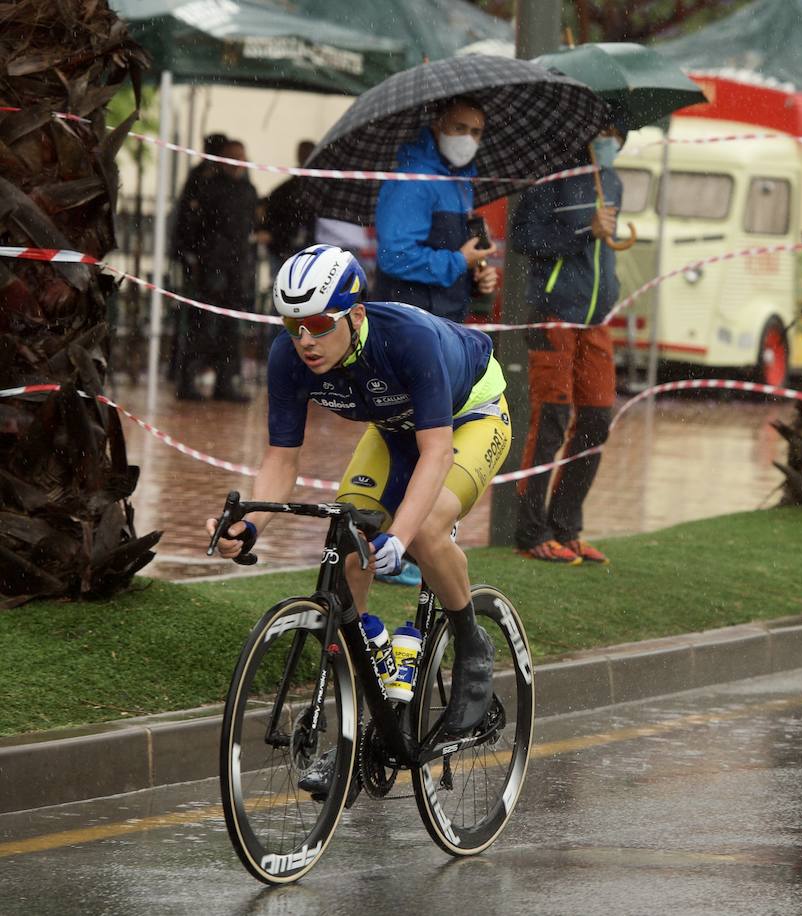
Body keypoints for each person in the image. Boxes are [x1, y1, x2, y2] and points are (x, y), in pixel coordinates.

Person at [205, 244, 512, 791]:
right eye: (293, 325)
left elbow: (437, 453)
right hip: (393, 429)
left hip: (470, 418)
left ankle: (472, 646)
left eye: (320, 325)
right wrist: (250, 524)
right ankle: (362, 715)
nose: (305, 341)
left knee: (428, 529)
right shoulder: (288, 357)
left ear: (356, 314)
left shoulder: (407, 339)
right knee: (350, 539)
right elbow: (282, 457)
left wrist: (400, 534)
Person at [506, 120, 627, 564]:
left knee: (597, 419)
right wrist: (582, 232)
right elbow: (522, 238)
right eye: (603, 132)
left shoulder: (613, 180)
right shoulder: (550, 178)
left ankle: (566, 525)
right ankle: (530, 532)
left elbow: (604, 249)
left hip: (597, 319)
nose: (610, 141)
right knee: (550, 419)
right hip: (553, 314)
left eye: (617, 132)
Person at [374, 97, 498, 323]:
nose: (467, 139)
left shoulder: (462, 181)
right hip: (407, 323)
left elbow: (446, 248)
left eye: (475, 132)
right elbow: (394, 256)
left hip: (444, 321)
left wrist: (475, 278)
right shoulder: (413, 181)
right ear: (437, 125)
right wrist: (460, 261)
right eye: (459, 128)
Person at [171, 134, 257, 402]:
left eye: (242, 157)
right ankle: (188, 380)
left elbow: (247, 229)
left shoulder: (247, 190)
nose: (239, 163)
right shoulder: (208, 187)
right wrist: (197, 258)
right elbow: (192, 227)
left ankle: (225, 382)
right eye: (233, 157)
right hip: (212, 268)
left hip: (237, 270)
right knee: (204, 326)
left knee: (231, 330)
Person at [261, 140, 318, 276]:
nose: (306, 158)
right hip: (285, 251)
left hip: (308, 252)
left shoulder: (318, 188)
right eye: (304, 154)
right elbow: (271, 220)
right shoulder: (285, 191)